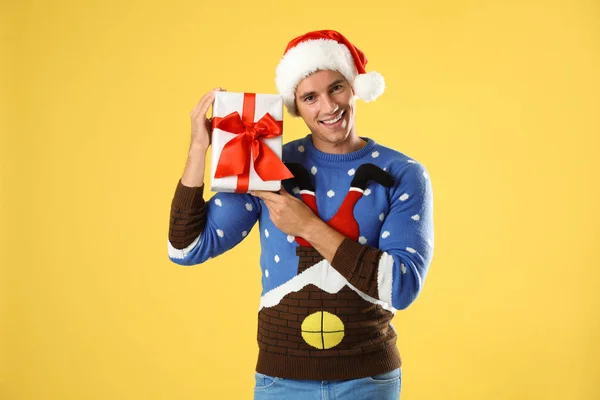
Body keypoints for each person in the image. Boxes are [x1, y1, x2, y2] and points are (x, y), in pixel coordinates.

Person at [168, 30, 434, 400]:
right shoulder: (269, 164)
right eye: (310, 97)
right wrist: (199, 149)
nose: (328, 107)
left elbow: (401, 287)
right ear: (295, 104)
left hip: (368, 381)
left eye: (336, 88)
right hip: (281, 383)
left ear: (354, 87)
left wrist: (306, 225)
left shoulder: (402, 172)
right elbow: (186, 248)